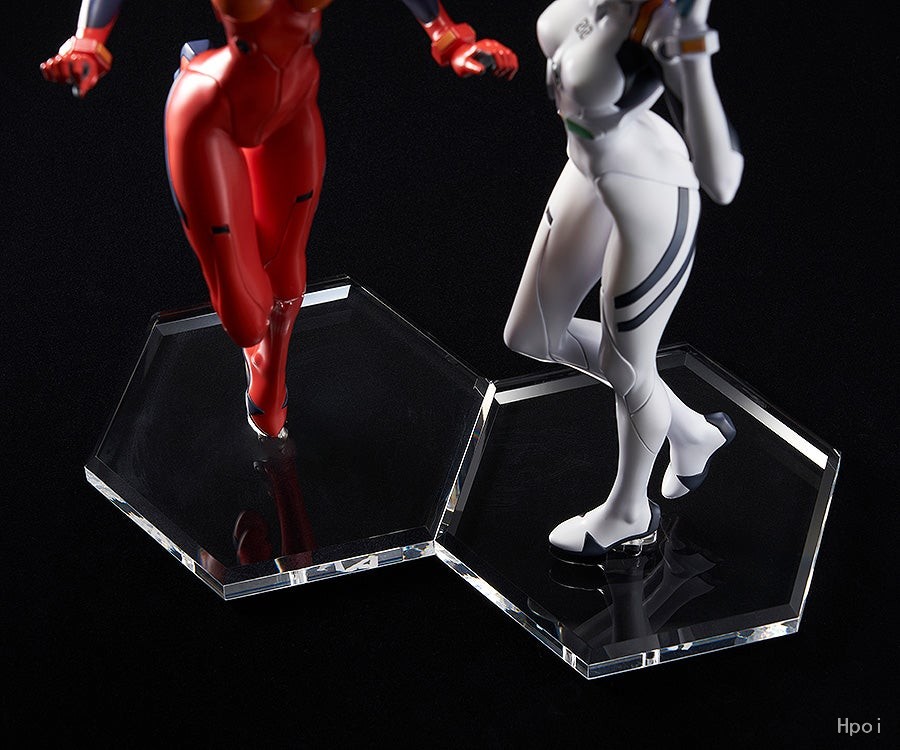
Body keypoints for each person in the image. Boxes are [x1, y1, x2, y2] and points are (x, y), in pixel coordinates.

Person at [42, 0, 518, 439]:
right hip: (210, 113)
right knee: (244, 315)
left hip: (292, 106)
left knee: (285, 273)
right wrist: (89, 42)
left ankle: (270, 376)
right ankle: (256, 352)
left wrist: (449, 38)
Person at [503, 0, 743, 558]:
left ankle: (629, 513)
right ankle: (692, 434)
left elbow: (723, 179)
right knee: (531, 335)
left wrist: (690, 49)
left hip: (650, 195)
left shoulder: (667, 22)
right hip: (587, 165)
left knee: (627, 368)